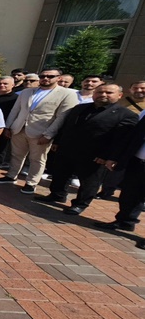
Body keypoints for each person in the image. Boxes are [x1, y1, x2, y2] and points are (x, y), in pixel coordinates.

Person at [34, 84, 137, 214]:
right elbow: (67, 126)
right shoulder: (79, 108)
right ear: (94, 94)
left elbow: (121, 140)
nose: (103, 95)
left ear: (119, 95)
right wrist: (58, 141)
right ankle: (57, 195)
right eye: (99, 92)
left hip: (95, 155)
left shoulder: (126, 115)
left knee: (89, 181)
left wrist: (107, 156)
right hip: (67, 149)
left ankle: (80, 204)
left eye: (109, 92)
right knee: (60, 174)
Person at [0, 67, 78, 194]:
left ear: (58, 78)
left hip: (41, 132)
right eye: (43, 76)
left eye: (50, 76)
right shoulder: (27, 92)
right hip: (19, 128)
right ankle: (11, 176)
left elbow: (62, 117)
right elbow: (16, 110)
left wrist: (49, 135)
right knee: (16, 155)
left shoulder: (67, 94)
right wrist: (8, 126)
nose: (45, 79)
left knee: (37, 159)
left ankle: (31, 183)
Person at [94, 111, 145, 246]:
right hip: (137, 162)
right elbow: (133, 135)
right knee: (130, 194)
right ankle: (125, 221)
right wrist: (117, 157)